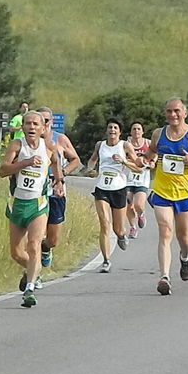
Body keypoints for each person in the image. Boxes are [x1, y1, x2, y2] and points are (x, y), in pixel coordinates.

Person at [138, 98, 188, 296]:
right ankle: (164, 277)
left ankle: (185, 257)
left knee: (183, 237)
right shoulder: (158, 134)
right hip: (162, 192)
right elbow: (150, 153)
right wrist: (143, 160)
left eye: (176, 111)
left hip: (185, 194)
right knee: (165, 232)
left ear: (185, 113)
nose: (172, 115)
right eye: (168, 111)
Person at [0, 110, 64, 307]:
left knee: (34, 245)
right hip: (18, 203)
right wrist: (25, 163)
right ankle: (32, 271)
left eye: (36, 124)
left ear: (43, 128)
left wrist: (59, 181)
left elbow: (55, 162)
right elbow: (2, 171)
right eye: (28, 124)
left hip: (38, 204)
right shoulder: (17, 146)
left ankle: (30, 289)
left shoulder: (49, 146)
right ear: (23, 127)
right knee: (16, 253)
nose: (32, 127)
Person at [86, 118, 141, 273]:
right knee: (104, 224)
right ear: (107, 130)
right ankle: (106, 260)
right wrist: (91, 170)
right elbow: (92, 161)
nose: (112, 130)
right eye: (110, 127)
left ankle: (122, 236)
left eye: (115, 128)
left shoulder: (125, 146)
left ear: (120, 132)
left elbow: (138, 168)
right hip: (102, 188)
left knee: (118, 229)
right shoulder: (100, 145)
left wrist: (123, 161)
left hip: (119, 189)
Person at [36, 107, 81, 269]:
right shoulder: (30, 141)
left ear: (52, 122)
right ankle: (34, 272)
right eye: (39, 121)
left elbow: (75, 159)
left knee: (53, 240)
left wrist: (62, 173)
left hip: (56, 190)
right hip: (35, 191)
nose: (43, 124)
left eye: (46, 120)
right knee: (36, 234)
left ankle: (46, 248)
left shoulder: (60, 139)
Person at [125, 122, 154, 239]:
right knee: (128, 203)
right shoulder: (126, 145)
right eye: (134, 129)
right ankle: (132, 227)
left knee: (138, 204)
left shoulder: (148, 143)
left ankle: (141, 214)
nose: (136, 131)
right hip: (128, 178)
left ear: (142, 132)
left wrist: (152, 162)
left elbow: (155, 154)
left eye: (138, 129)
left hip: (142, 178)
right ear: (130, 132)